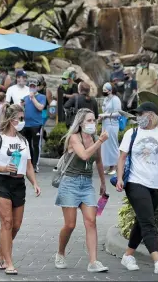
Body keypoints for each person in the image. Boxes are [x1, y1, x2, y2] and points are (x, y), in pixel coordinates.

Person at [116, 102, 158, 274]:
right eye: (137, 115)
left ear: (151, 115)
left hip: (157, 185)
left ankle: (128, 255)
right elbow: (122, 157)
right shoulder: (132, 133)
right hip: (136, 183)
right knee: (148, 222)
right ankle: (157, 261)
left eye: (141, 114)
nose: (138, 118)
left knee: (142, 220)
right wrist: (120, 178)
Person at [0, 104, 41, 275]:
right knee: (6, 222)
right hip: (0, 182)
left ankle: (0, 251)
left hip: (18, 183)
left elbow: (28, 165)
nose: (22, 122)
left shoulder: (22, 141)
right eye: (20, 118)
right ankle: (8, 262)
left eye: (23, 118)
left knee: (16, 225)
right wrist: (3, 168)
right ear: (11, 119)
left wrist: (34, 183)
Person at [54, 108, 109, 272]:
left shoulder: (94, 138)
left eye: (94, 121)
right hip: (70, 183)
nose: (92, 124)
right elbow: (84, 155)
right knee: (70, 224)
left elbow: (98, 161)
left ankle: (93, 262)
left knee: (91, 222)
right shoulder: (73, 138)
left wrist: (103, 182)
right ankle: (60, 253)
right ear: (80, 123)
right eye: (89, 121)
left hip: (86, 184)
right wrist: (99, 142)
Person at [23, 79, 47, 173]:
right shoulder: (25, 97)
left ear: (37, 87)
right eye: (31, 86)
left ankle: (35, 165)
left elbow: (40, 107)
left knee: (36, 145)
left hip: (36, 124)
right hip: (26, 124)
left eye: (34, 86)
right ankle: (29, 164)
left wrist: (33, 98)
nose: (32, 88)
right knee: (27, 145)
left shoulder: (42, 97)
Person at [99, 82, 121, 175]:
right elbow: (104, 109)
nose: (104, 92)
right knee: (106, 146)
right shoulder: (106, 99)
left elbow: (118, 113)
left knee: (112, 145)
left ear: (111, 90)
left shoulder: (115, 99)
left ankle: (116, 166)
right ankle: (110, 166)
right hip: (105, 124)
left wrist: (106, 115)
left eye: (106, 90)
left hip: (112, 125)